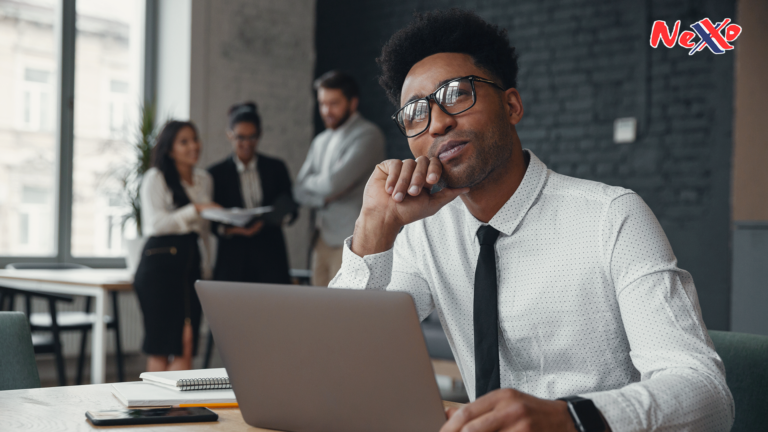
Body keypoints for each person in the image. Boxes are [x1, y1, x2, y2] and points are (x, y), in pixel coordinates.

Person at [329, 9, 733, 432]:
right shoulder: (425, 233)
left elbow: (705, 393)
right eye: (415, 113)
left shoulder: (611, 217)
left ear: (512, 105)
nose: (439, 123)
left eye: (456, 95)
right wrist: (376, 225)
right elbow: (340, 361)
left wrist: (572, 418)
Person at [134, 120, 219, 372]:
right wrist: (196, 209)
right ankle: (155, 409)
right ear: (169, 149)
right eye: (184, 142)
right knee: (161, 346)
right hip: (159, 268)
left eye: (195, 139)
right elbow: (156, 224)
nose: (193, 146)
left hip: (189, 266)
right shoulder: (155, 177)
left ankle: (177, 410)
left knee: (187, 342)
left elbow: (203, 231)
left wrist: (206, 265)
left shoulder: (204, 180)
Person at [294, 70, 385, 286]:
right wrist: (322, 198)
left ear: (353, 103)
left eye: (333, 103)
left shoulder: (368, 135)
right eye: (322, 103)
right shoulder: (321, 140)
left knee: (342, 312)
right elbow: (298, 189)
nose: (326, 110)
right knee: (317, 309)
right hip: (321, 238)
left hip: (353, 240)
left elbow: (332, 183)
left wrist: (319, 186)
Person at [208, 102, 297, 284]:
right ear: (229, 135)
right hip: (232, 261)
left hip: (271, 259)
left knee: (273, 311)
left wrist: (269, 220)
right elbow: (210, 222)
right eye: (240, 138)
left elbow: (291, 208)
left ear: (260, 134)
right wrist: (231, 229)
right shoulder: (215, 174)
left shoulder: (276, 168)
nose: (247, 144)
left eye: (252, 137)